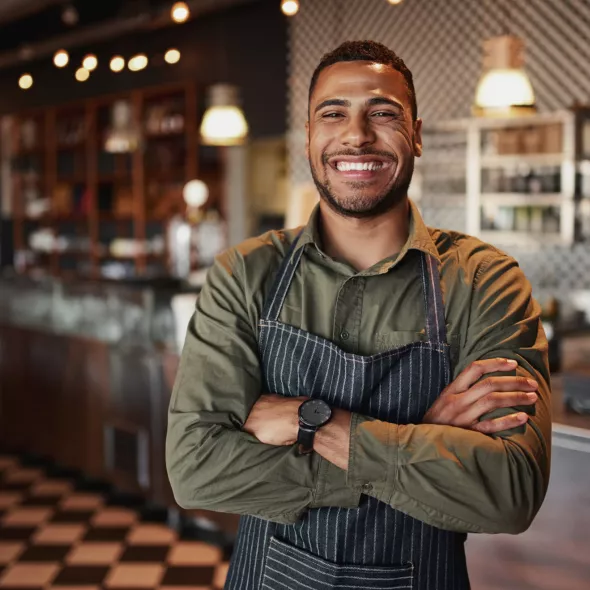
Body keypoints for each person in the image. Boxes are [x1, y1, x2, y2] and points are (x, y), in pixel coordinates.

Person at [166, 40, 551, 590]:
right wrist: (419, 439)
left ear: (415, 133)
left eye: (383, 113)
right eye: (333, 113)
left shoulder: (484, 280)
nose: (356, 134)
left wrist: (309, 420)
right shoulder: (245, 274)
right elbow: (196, 472)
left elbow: (509, 492)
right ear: (308, 136)